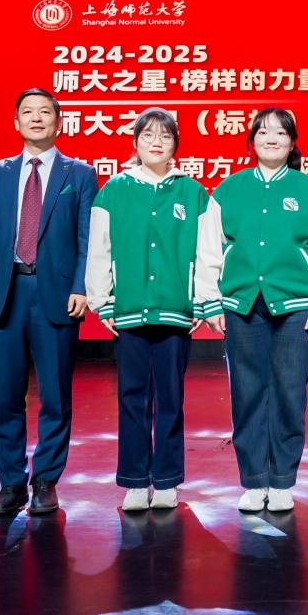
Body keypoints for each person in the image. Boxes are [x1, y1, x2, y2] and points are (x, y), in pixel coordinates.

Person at [194, 108, 308, 513]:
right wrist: (209, 299)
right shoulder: (228, 190)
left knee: (290, 392)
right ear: (251, 141)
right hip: (242, 304)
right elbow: (209, 248)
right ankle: (254, 479)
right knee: (246, 392)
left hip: (295, 306)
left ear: (292, 142)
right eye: (263, 132)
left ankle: (283, 479)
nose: (271, 138)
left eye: (280, 132)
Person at [0, 88, 97, 515]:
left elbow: (87, 238)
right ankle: (10, 483)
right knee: (6, 396)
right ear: (16, 122)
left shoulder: (80, 174)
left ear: (58, 122)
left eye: (45, 112)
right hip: (5, 293)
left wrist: (82, 286)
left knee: (55, 396)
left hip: (55, 294)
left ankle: (45, 481)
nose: (36, 118)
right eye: (28, 112)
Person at [84, 107, 209, 511]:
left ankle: (168, 480)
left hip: (175, 310)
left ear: (176, 144)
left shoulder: (193, 192)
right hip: (129, 311)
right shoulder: (114, 190)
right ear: (135, 141)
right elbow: (99, 249)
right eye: (148, 135)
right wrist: (101, 300)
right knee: (131, 398)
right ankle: (136, 481)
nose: (157, 142)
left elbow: (207, 252)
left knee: (170, 398)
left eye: (165, 136)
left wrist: (202, 300)